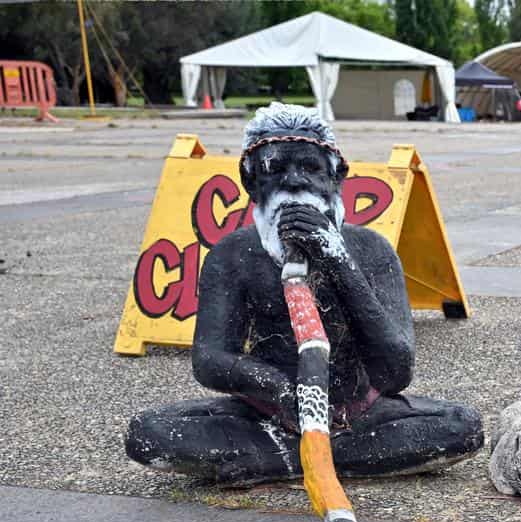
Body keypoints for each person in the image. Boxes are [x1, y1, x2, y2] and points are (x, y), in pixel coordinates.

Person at [125, 103, 483, 484]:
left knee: (462, 426)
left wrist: (338, 260)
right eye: (275, 170)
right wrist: (279, 389)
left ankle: (280, 459)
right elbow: (210, 360)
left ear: (336, 176)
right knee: (149, 433)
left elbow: (395, 372)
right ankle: (321, 459)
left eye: (310, 168)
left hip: (356, 413)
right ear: (250, 183)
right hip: (266, 415)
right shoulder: (232, 254)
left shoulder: (371, 250)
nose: (294, 182)